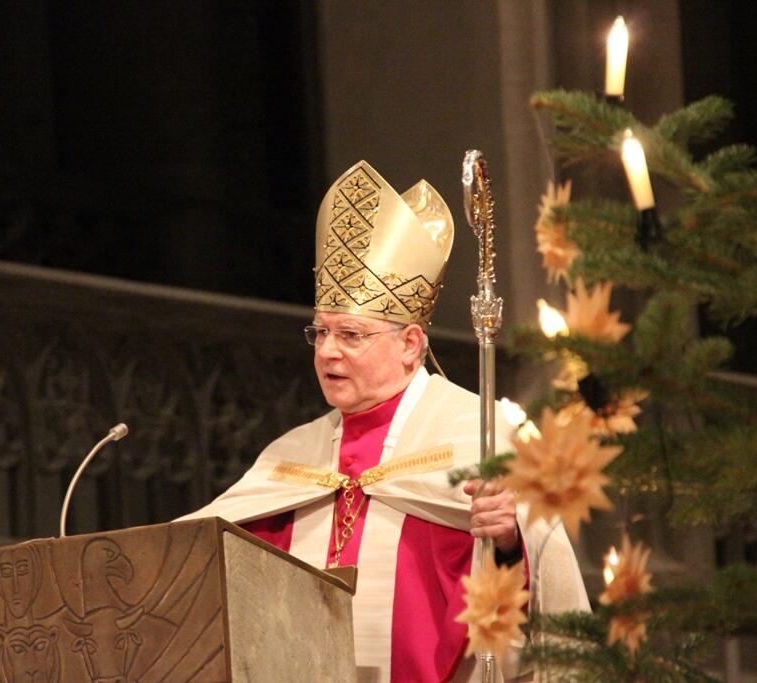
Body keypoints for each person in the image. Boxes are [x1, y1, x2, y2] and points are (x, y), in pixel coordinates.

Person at [180, 161, 589, 682]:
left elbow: (552, 609)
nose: (328, 352)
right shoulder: (291, 456)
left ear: (410, 344)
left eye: (351, 335)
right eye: (320, 333)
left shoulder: (482, 435)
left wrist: (511, 540)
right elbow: (211, 570)